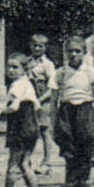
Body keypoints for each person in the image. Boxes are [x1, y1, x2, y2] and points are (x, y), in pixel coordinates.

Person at [53, 36, 94, 187]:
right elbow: (53, 102)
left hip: (86, 114)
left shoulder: (92, 73)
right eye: (70, 51)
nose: (74, 54)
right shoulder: (60, 73)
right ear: (65, 53)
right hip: (66, 115)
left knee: (85, 163)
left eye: (78, 51)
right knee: (70, 163)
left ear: (85, 53)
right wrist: (54, 125)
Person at [0, 55, 43, 187]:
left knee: (13, 165)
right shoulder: (28, 84)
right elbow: (37, 106)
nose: (11, 70)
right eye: (9, 67)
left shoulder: (17, 85)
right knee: (24, 164)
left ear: (24, 69)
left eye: (15, 67)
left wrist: (3, 112)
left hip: (19, 128)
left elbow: (14, 107)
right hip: (31, 127)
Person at [27, 34, 59, 174]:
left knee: (44, 130)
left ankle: (47, 161)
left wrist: (40, 100)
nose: (37, 48)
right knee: (29, 130)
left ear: (45, 48)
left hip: (43, 100)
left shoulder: (47, 64)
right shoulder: (27, 62)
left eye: (40, 46)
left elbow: (52, 87)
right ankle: (26, 161)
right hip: (29, 100)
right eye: (35, 45)